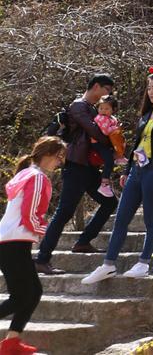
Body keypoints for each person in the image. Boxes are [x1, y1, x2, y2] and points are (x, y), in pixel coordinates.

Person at [81, 72, 153, 284]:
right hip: (137, 170)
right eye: (149, 88)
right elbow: (137, 143)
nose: (150, 92)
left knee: (151, 220)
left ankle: (143, 262)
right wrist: (126, 169)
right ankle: (108, 264)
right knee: (121, 218)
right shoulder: (147, 112)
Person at [36, 74, 117, 275]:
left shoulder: (91, 108)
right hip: (75, 165)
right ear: (97, 86)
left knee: (110, 202)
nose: (108, 95)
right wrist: (112, 140)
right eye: (107, 90)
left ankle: (83, 241)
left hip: (88, 167)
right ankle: (42, 258)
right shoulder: (79, 106)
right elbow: (96, 132)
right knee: (64, 211)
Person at [0, 136, 66, 354]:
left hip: (11, 240)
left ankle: (11, 342)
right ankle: (11, 344)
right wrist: (43, 229)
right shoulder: (37, 177)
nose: (60, 162)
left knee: (32, 292)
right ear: (48, 155)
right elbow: (29, 213)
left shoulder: (26, 173)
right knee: (22, 296)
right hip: (14, 241)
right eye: (59, 157)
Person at [90, 95, 126, 198]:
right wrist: (115, 129)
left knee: (120, 141)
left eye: (106, 108)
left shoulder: (111, 118)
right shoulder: (100, 118)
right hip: (98, 143)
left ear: (113, 109)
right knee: (109, 161)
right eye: (101, 108)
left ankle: (119, 156)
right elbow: (105, 131)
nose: (103, 110)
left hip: (105, 142)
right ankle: (104, 183)